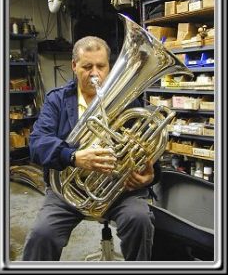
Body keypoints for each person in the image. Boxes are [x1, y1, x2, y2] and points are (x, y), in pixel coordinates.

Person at [22, 36, 161, 261]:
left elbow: (148, 148)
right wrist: (73, 156)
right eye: (87, 67)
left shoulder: (127, 101)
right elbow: (37, 143)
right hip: (68, 191)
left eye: (101, 66)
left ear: (109, 67)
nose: (95, 73)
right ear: (74, 66)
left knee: (140, 220)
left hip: (118, 190)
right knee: (42, 234)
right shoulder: (56, 101)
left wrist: (150, 175)